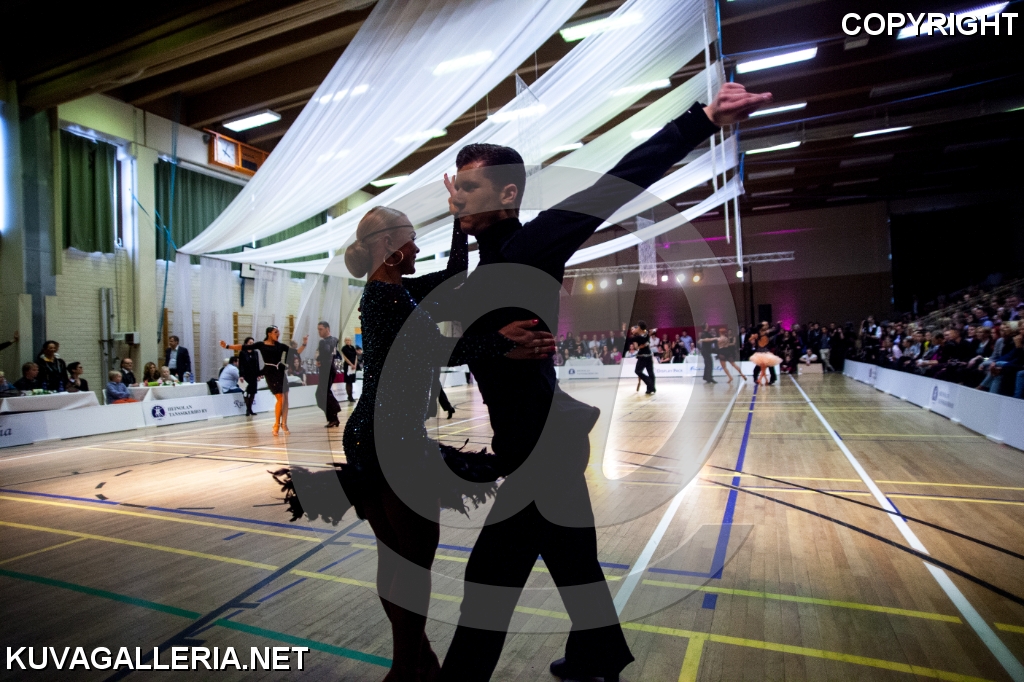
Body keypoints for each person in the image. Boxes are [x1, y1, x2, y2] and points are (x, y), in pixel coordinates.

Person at [440, 81, 772, 682]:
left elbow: (614, 185)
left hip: (540, 448)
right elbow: (449, 320)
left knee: (489, 578)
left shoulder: (531, 244)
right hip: (541, 441)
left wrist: (701, 120)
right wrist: (462, 232)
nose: (456, 196)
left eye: (469, 187)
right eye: (455, 187)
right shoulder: (484, 261)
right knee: (573, 562)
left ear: (508, 193)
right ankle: (599, 656)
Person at [276, 206, 553, 681]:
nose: (418, 248)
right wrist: (501, 340)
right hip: (395, 440)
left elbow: (453, 275)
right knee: (414, 565)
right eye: (411, 239)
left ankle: (416, 658)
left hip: (369, 435)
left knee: (396, 559)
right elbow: (440, 349)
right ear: (390, 247)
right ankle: (406, 669)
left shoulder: (391, 290)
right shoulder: (388, 298)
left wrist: (459, 222)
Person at [222, 327, 291, 435]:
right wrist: (227, 346)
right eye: (275, 332)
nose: (278, 333)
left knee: (283, 398)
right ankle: (274, 422)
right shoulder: (253, 349)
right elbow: (242, 352)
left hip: (269, 373)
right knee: (277, 397)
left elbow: (290, 351)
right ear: (269, 333)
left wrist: (260, 373)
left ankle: (283, 423)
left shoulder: (266, 349)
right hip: (255, 374)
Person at [314, 322, 342, 428]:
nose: (319, 331)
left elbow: (325, 351)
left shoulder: (324, 342)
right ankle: (333, 418)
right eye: (318, 329)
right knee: (323, 394)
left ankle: (335, 410)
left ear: (327, 329)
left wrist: (318, 358)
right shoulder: (334, 339)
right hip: (330, 368)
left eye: (321, 329)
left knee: (321, 394)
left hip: (326, 369)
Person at [627, 322, 656, 394]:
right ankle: (651, 388)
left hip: (643, 356)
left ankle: (649, 383)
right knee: (650, 372)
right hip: (648, 355)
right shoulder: (645, 334)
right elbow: (638, 346)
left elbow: (629, 340)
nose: (635, 329)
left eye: (636, 327)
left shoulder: (639, 337)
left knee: (638, 371)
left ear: (639, 328)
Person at [237, 337, 261, 416]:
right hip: (245, 375)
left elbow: (257, 364)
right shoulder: (242, 353)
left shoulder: (255, 353)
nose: (252, 344)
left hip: (253, 375)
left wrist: (258, 374)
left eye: (253, 343)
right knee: (245, 392)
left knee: (253, 392)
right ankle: (248, 409)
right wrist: (241, 375)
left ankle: (250, 409)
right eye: (250, 343)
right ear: (246, 343)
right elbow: (241, 365)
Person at [340, 337, 359, 403]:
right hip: (348, 366)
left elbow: (356, 356)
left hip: (353, 366)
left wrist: (355, 364)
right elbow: (345, 358)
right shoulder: (344, 348)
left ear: (351, 341)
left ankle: (351, 396)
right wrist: (351, 364)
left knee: (351, 381)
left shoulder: (353, 348)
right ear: (345, 341)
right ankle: (350, 396)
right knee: (348, 382)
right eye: (346, 340)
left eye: (349, 340)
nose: (348, 341)